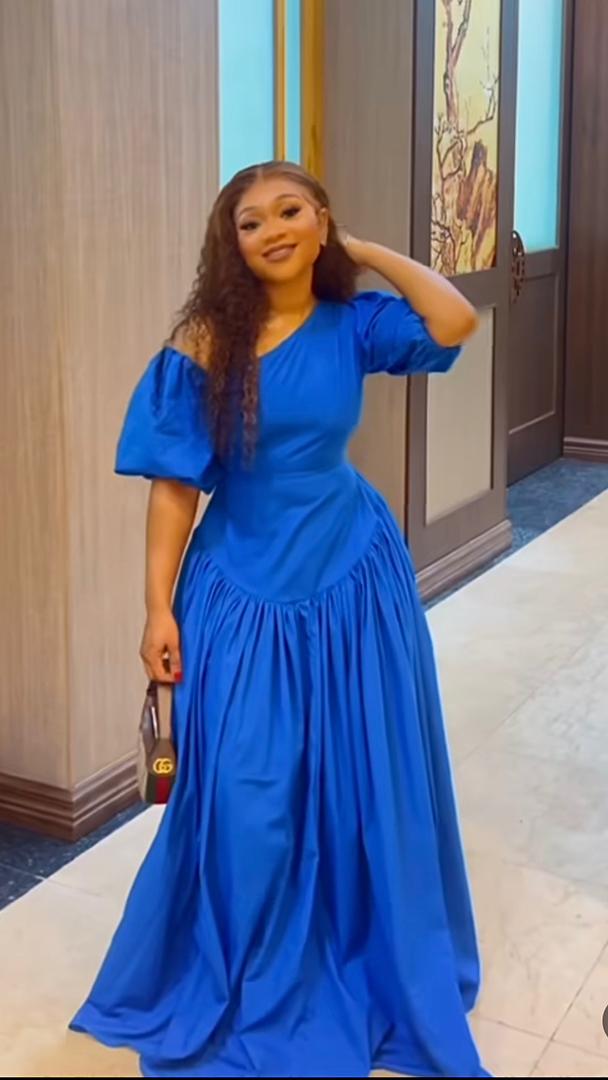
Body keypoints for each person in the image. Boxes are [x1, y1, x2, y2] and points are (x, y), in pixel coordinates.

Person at [70, 161, 490, 1078]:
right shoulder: (204, 340)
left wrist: (369, 253)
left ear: (321, 221)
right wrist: (155, 607)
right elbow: (174, 488)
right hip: (237, 584)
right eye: (250, 222)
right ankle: (248, 968)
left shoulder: (354, 323)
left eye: (290, 211)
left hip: (351, 573)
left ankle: (363, 949)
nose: (272, 231)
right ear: (232, 245)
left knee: (362, 768)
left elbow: (455, 321)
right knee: (246, 786)